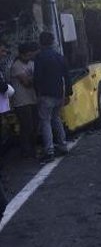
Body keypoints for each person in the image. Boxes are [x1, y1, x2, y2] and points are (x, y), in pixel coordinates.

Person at [33, 32, 72, 162]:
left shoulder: (39, 57)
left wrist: (37, 92)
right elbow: (67, 76)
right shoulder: (59, 57)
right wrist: (67, 94)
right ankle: (63, 145)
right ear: (52, 42)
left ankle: (49, 150)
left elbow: (37, 77)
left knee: (45, 122)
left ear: (41, 42)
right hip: (59, 94)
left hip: (45, 95)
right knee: (56, 119)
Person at [11, 43, 39, 158]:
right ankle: (25, 150)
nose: (29, 57)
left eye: (30, 55)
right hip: (21, 101)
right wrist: (37, 77)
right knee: (27, 126)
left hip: (33, 99)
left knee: (35, 125)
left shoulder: (32, 63)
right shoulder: (16, 66)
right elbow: (26, 83)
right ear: (21, 55)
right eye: (27, 55)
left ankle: (33, 148)